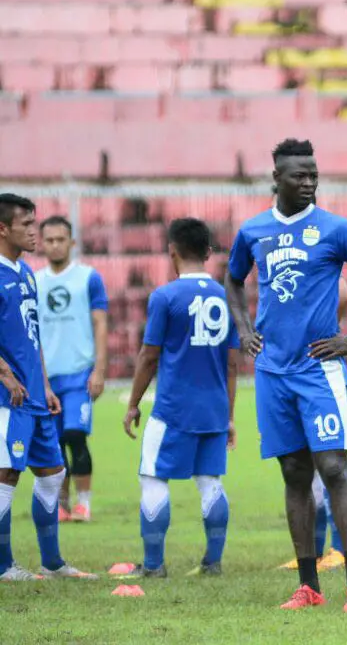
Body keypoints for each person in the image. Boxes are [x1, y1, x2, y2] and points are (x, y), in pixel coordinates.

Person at [226, 139, 347, 612]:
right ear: (277, 179)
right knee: (293, 471)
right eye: (298, 176)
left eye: (313, 175)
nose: (308, 183)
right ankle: (308, 587)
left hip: (318, 370)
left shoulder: (335, 229)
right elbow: (232, 279)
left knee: (333, 468)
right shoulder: (253, 231)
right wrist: (243, 329)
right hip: (272, 371)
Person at [120, 218, 239, 578]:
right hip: (214, 409)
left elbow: (149, 356)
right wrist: (229, 415)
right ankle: (213, 562)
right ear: (208, 252)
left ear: (171, 250)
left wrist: (133, 403)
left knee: (153, 478)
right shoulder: (225, 296)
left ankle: (154, 565)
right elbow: (233, 363)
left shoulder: (165, 297)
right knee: (210, 482)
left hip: (173, 410)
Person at [0, 193, 97, 582]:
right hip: (8, 398)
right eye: (26, 225)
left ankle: (52, 563)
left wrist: (44, 384)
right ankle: (3, 566)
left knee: (53, 474)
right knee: (7, 475)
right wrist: (5, 373)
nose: (34, 232)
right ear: (3, 228)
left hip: (35, 395)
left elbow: (32, 336)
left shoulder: (25, 273)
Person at [35, 216, 109, 523]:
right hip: (46, 378)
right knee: (54, 443)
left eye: (60, 239)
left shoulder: (88, 278)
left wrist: (100, 370)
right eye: (49, 240)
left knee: (76, 434)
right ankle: (62, 506)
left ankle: (84, 504)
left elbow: (100, 323)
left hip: (79, 373)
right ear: (41, 244)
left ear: (72, 242)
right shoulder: (34, 281)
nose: (55, 245)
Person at [279, 277, 347, 572]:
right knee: (305, 468)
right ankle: (316, 552)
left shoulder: (318, 264)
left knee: (330, 466)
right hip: (291, 373)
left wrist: (327, 328)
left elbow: (344, 292)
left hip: (318, 376)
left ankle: (340, 549)